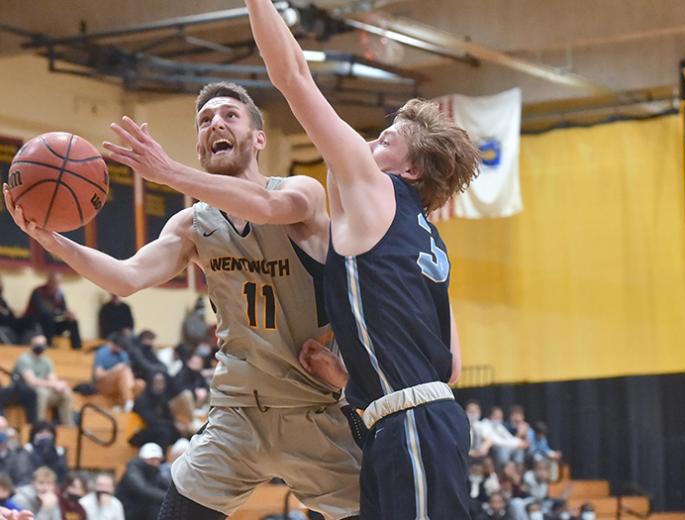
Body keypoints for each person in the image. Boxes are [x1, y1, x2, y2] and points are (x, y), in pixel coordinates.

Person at [4, 79, 362, 519]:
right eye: (205, 120)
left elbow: (267, 209)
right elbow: (127, 277)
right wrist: (54, 242)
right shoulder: (193, 224)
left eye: (230, 115)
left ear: (258, 138)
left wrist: (168, 173)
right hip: (238, 414)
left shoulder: (302, 191)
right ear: (199, 145)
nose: (216, 124)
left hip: (313, 409)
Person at [242, 1, 480, 517]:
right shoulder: (429, 240)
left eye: (386, 138)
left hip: (412, 425)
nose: (369, 141)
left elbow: (292, 75)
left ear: (410, 171)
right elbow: (453, 365)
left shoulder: (379, 191)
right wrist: (351, 381)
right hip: (412, 420)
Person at [12, 335, 73, 426]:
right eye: (37, 344)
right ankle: (38, 426)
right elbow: (32, 381)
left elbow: (52, 378)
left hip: (43, 391)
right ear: (31, 345)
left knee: (66, 391)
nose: (40, 346)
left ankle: (68, 426)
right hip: (24, 392)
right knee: (42, 392)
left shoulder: (46, 361)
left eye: (42, 344)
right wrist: (53, 384)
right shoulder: (24, 359)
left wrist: (58, 385)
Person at [22, 273, 81, 350]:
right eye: (54, 282)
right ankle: (48, 345)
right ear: (49, 282)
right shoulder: (38, 291)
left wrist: (68, 314)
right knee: (47, 317)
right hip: (36, 322)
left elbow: (63, 310)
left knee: (72, 321)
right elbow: (43, 310)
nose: (56, 285)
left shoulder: (59, 295)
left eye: (59, 283)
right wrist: (61, 313)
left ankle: (77, 348)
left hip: (52, 324)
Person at [92, 333, 143, 412]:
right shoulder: (102, 352)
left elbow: (127, 372)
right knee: (122, 371)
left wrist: (128, 381)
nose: (121, 351)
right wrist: (115, 370)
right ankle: (129, 403)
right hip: (102, 384)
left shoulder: (123, 353)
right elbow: (98, 375)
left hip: (121, 383)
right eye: (120, 348)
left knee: (140, 384)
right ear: (114, 344)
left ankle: (122, 405)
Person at [116, 443, 167, 520]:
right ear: (142, 459)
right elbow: (142, 489)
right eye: (152, 459)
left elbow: (167, 485)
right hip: (129, 512)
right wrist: (166, 497)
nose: (155, 463)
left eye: (157, 460)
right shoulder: (133, 471)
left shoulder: (156, 472)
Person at [0, 275, 23, 345]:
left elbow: (9, 312)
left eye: (1, 282)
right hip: (2, 327)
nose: (2, 284)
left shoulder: (2, 300)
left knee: (29, 323)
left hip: (10, 325)